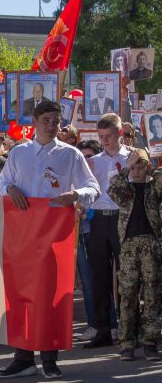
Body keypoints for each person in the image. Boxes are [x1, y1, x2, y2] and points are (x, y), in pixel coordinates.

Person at [0, 101, 100, 379]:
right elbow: (1, 183)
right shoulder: (19, 153)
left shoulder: (70, 155)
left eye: (56, 121)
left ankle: (50, 357)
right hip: (23, 234)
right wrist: (10, 188)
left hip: (54, 236)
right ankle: (23, 357)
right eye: (47, 120)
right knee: (20, 293)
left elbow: (93, 187)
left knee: (51, 295)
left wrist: (75, 195)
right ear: (35, 120)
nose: (52, 125)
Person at [107, 148, 162, 361]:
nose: (137, 171)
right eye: (134, 167)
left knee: (152, 295)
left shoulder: (153, 186)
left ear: (147, 167)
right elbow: (112, 190)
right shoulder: (125, 187)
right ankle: (127, 342)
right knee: (127, 295)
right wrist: (126, 168)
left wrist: (152, 165)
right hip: (129, 246)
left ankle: (150, 342)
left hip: (151, 244)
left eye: (141, 167)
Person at [84, 113, 130, 350]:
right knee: (99, 275)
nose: (105, 141)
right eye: (101, 137)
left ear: (119, 133)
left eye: (109, 136)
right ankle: (103, 329)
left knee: (127, 276)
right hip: (100, 219)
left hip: (124, 218)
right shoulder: (95, 161)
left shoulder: (131, 157)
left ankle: (128, 328)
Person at [75, 139, 103, 342]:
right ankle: (94, 324)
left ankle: (112, 323)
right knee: (87, 281)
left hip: (101, 232)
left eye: (90, 157)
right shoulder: (75, 175)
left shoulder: (103, 174)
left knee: (105, 279)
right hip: (80, 233)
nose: (86, 161)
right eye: (82, 157)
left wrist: (90, 213)